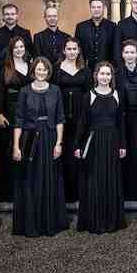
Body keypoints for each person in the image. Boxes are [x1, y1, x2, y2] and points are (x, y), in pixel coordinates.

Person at [12, 57, 68, 237]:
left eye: (44, 70)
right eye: (38, 69)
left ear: (48, 71)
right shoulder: (24, 91)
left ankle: (50, 222)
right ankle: (31, 222)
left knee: (50, 178)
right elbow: (19, 120)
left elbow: (60, 118)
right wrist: (16, 146)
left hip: (50, 137)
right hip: (29, 139)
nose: (41, 72)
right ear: (33, 70)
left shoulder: (56, 90)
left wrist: (59, 143)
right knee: (31, 179)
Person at [74, 62, 127, 234]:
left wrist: (122, 145)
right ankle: (94, 220)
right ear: (96, 75)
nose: (105, 77)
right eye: (102, 74)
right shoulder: (88, 95)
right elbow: (82, 122)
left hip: (112, 141)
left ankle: (111, 220)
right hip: (94, 141)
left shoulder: (118, 94)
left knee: (111, 179)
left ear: (112, 77)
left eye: (108, 74)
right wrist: (77, 145)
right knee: (94, 180)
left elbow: (121, 123)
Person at [52, 37, 90, 203]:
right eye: (69, 49)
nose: (72, 52)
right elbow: (52, 92)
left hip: (80, 116)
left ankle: (79, 192)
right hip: (61, 116)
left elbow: (89, 95)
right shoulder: (56, 68)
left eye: (75, 49)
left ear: (79, 50)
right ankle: (64, 193)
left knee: (78, 150)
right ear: (63, 50)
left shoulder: (85, 70)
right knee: (63, 153)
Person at [0, 36, 31, 203]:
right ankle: (7, 192)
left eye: (21, 46)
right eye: (15, 47)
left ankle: (26, 188)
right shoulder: (5, 67)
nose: (19, 49)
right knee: (9, 149)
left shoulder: (31, 65)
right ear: (11, 49)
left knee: (26, 147)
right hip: (9, 111)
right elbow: (0, 91)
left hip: (29, 111)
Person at [116, 39, 137, 201]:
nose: (129, 55)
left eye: (132, 52)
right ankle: (125, 192)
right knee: (124, 152)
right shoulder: (116, 73)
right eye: (126, 52)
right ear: (122, 55)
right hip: (122, 118)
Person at [75, 0, 117, 72]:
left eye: (99, 7)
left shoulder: (112, 27)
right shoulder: (81, 27)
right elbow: (78, 49)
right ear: (90, 9)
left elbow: (115, 50)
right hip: (85, 70)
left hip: (106, 70)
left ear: (103, 8)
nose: (96, 10)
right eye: (93, 7)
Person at [0, 3, 33, 70]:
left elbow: (30, 54)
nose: (10, 17)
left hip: (21, 72)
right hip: (0, 73)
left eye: (12, 14)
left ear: (17, 16)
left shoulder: (25, 33)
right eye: (7, 14)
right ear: (3, 16)